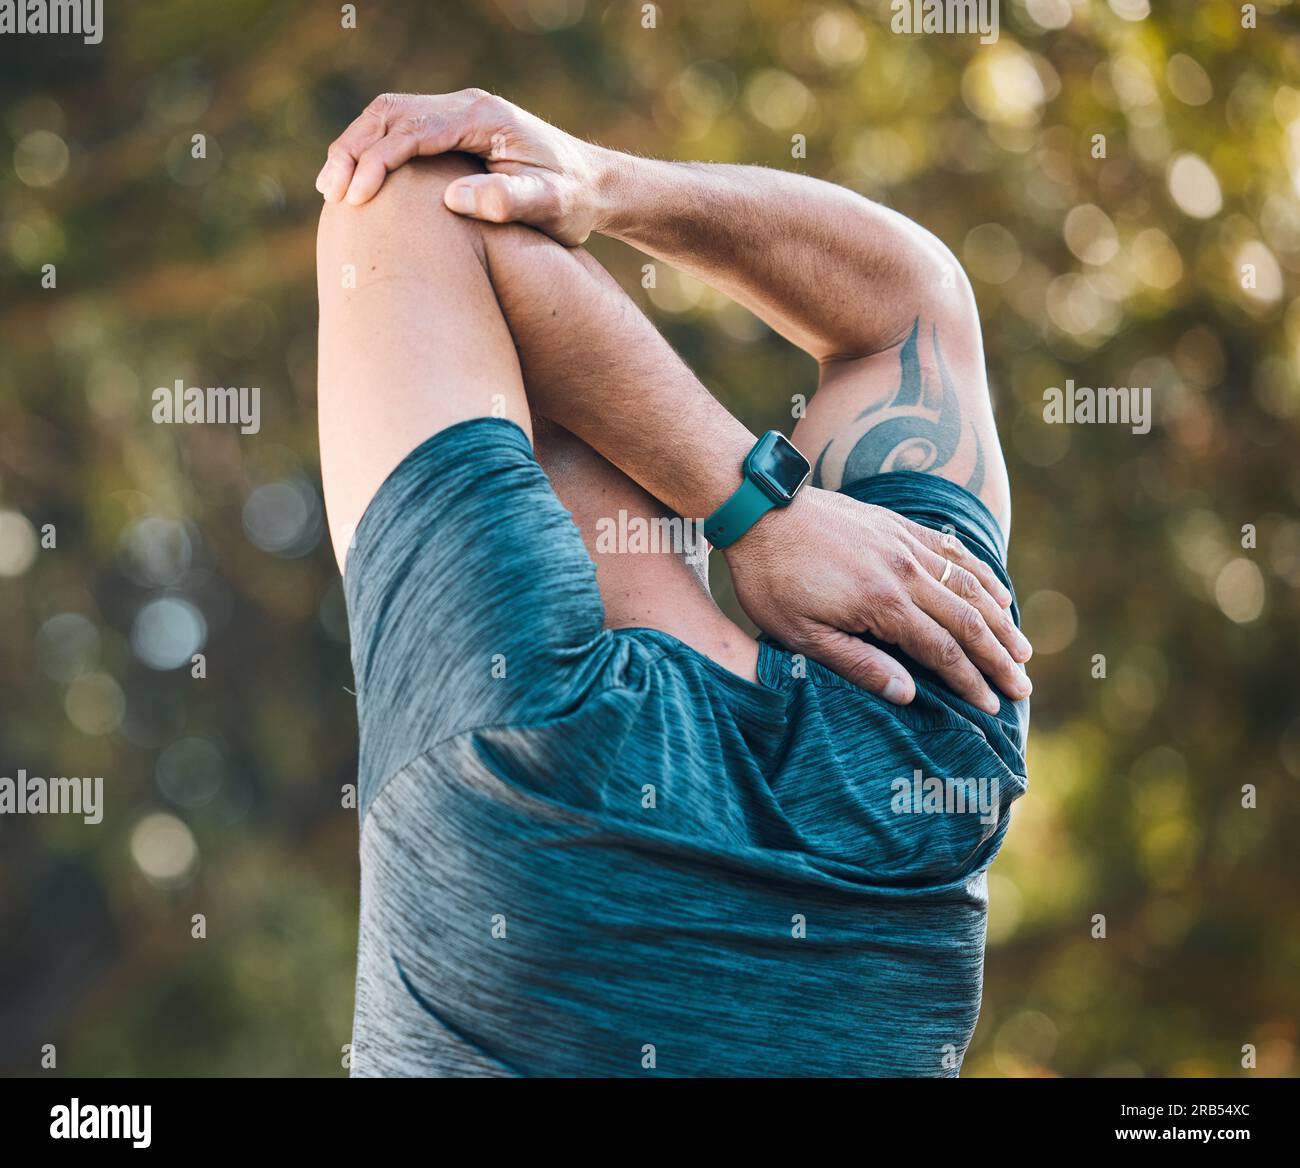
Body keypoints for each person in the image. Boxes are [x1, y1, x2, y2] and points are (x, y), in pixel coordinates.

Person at [314, 90, 1032, 1076]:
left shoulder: (940, 756)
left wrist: (603, 187)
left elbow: (911, 307)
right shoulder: (500, 738)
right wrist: (754, 506)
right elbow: (416, 199)